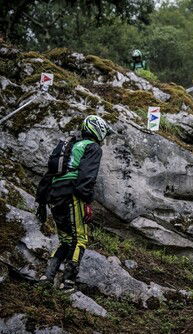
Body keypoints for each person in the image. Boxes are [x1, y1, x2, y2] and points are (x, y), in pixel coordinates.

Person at [35, 115, 115, 292]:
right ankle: (68, 283)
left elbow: (49, 174)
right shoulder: (92, 147)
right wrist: (86, 201)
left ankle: (46, 277)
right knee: (79, 239)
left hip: (54, 194)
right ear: (97, 129)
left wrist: (41, 202)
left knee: (65, 240)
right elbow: (87, 177)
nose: (104, 138)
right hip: (72, 193)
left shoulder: (71, 146)